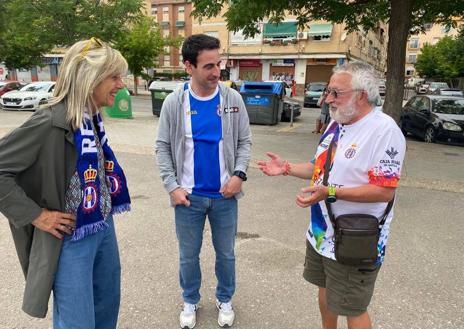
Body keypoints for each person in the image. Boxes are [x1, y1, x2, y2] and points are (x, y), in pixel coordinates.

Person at [257, 62, 405, 329]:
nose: (328, 99)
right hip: (321, 233)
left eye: (336, 93)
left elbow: (384, 191)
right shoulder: (336, 124)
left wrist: (331, 193)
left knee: (353, 307)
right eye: (328, 91)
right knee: (325, 290)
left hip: (355, 237)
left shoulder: (384, 130)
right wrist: (287, 168)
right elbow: (320, 167)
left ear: (361, 95)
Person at [0, 37, 131, 329]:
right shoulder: (49, 121)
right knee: (77, 322)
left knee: (106, 308)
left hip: (101, 224)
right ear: (89, 77)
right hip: (70, 237)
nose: (120, 84)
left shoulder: (91, 118)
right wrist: (36, 216)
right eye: (113, 76)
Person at [155, 34, 252, 329]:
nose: (216, 72)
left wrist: (239, 175)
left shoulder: (231, 99)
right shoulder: (175, 102)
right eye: (208, 66)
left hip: (225, 196)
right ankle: (190, 300)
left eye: (218, 63)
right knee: (188, 255)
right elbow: (162, 147)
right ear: (189, 67)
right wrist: (172, 186)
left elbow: (245, 141)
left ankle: (225, 298)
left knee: (226, 253)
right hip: (189, 198)